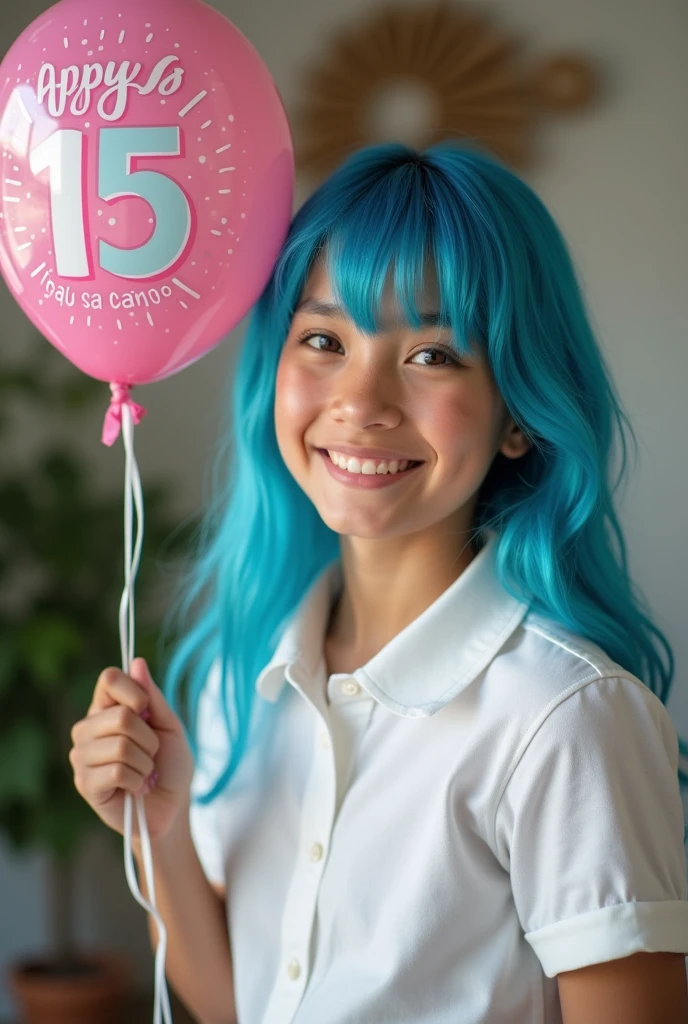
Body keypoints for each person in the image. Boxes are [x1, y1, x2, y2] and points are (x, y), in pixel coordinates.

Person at [69, 140, 688, 1024]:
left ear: (519, 412)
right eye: (324, 338)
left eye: (433, 354)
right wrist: (157, 830)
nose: (361, 401)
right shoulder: (243, 678)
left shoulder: (568, 716)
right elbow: (235, 1005)